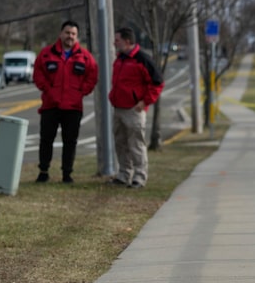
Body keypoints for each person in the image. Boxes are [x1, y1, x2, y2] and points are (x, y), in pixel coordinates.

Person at [32, 20, 99, 183]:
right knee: (46, 139)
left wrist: (81, 92)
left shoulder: (85, 56)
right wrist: (47, 89)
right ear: (61, 34)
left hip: (73, 107)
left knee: (70, 141)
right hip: (50, 105)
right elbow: (38, 73)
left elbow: (92, 75)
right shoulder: (46, 53)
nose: (70, 36)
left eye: (73, 34)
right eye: (67, 33)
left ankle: (67, 173)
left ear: (77, 37)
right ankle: (43, 171)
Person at [108, 27, 164, 188]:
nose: (114, 42)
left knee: (136, 145)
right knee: (121, 144)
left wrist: (145, 101)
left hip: (134, 110)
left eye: (117, 40)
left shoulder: (142, 59)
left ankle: (139, 177)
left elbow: (158, 82)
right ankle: (124, 175)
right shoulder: (120, 58)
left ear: (127, 41)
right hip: (118, 108)